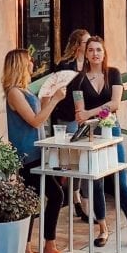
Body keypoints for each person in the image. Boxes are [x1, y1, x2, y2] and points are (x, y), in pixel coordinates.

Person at [73, 36, 127, 250]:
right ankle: (102, 229)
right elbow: (80, 115)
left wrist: (91, 112)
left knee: (121, 181)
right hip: (91, 134)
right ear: (86, 53)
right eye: (91, 50)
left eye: (99, 49)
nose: (95, 53)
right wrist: (95, 112)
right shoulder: (78, 81)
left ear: (104, 52)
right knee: (97, 183)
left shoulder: (114, 74)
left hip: (112, 130)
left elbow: (115, 104)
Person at [3, 48, 68, 253]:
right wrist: (55, 101)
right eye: (29, 60)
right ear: (20, 64)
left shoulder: (26, 91)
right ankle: (48, 245)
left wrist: (49, 97)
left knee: (34, 200)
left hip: (39, 152)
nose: (33, 63)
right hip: (27, 155)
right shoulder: (14, 92)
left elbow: (39, 115)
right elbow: (35, 120)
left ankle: (28, 249)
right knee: (54, 195)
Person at [52, 29, 90, 218]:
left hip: (87, 117)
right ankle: (75, 200)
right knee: (70, 160)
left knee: (81, 159)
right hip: (68, 117)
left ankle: (78, 199)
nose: (90, 46)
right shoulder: (64, 65)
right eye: (86, 43)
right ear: (78, 45)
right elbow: (58, 91)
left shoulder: (91, 65)